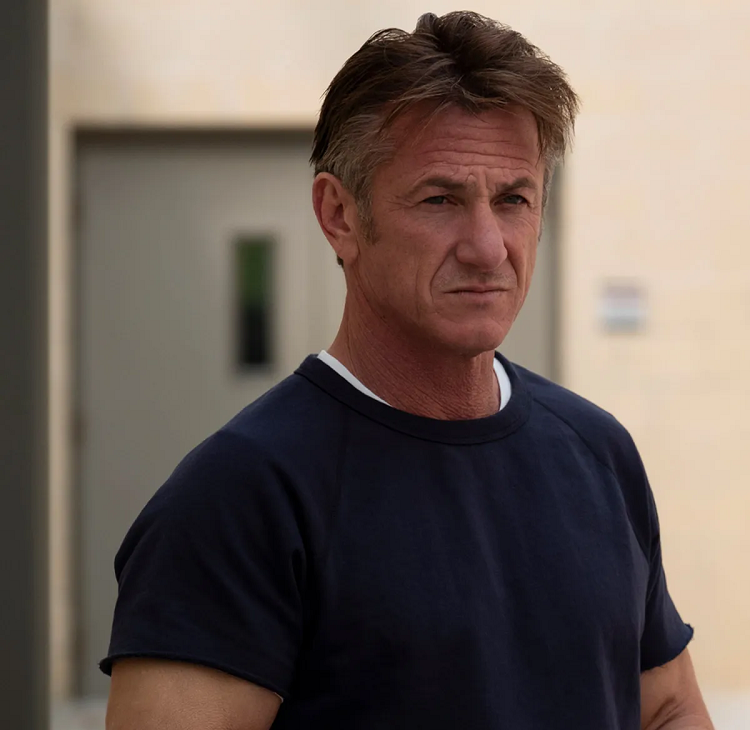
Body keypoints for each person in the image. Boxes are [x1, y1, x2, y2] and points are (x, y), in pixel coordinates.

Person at [102, 11, 712, 730]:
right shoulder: (239, 498)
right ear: (339, 215)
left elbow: (668, 706)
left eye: (513, 199)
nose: (488, 246)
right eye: (440, 199)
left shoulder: (597, 452)